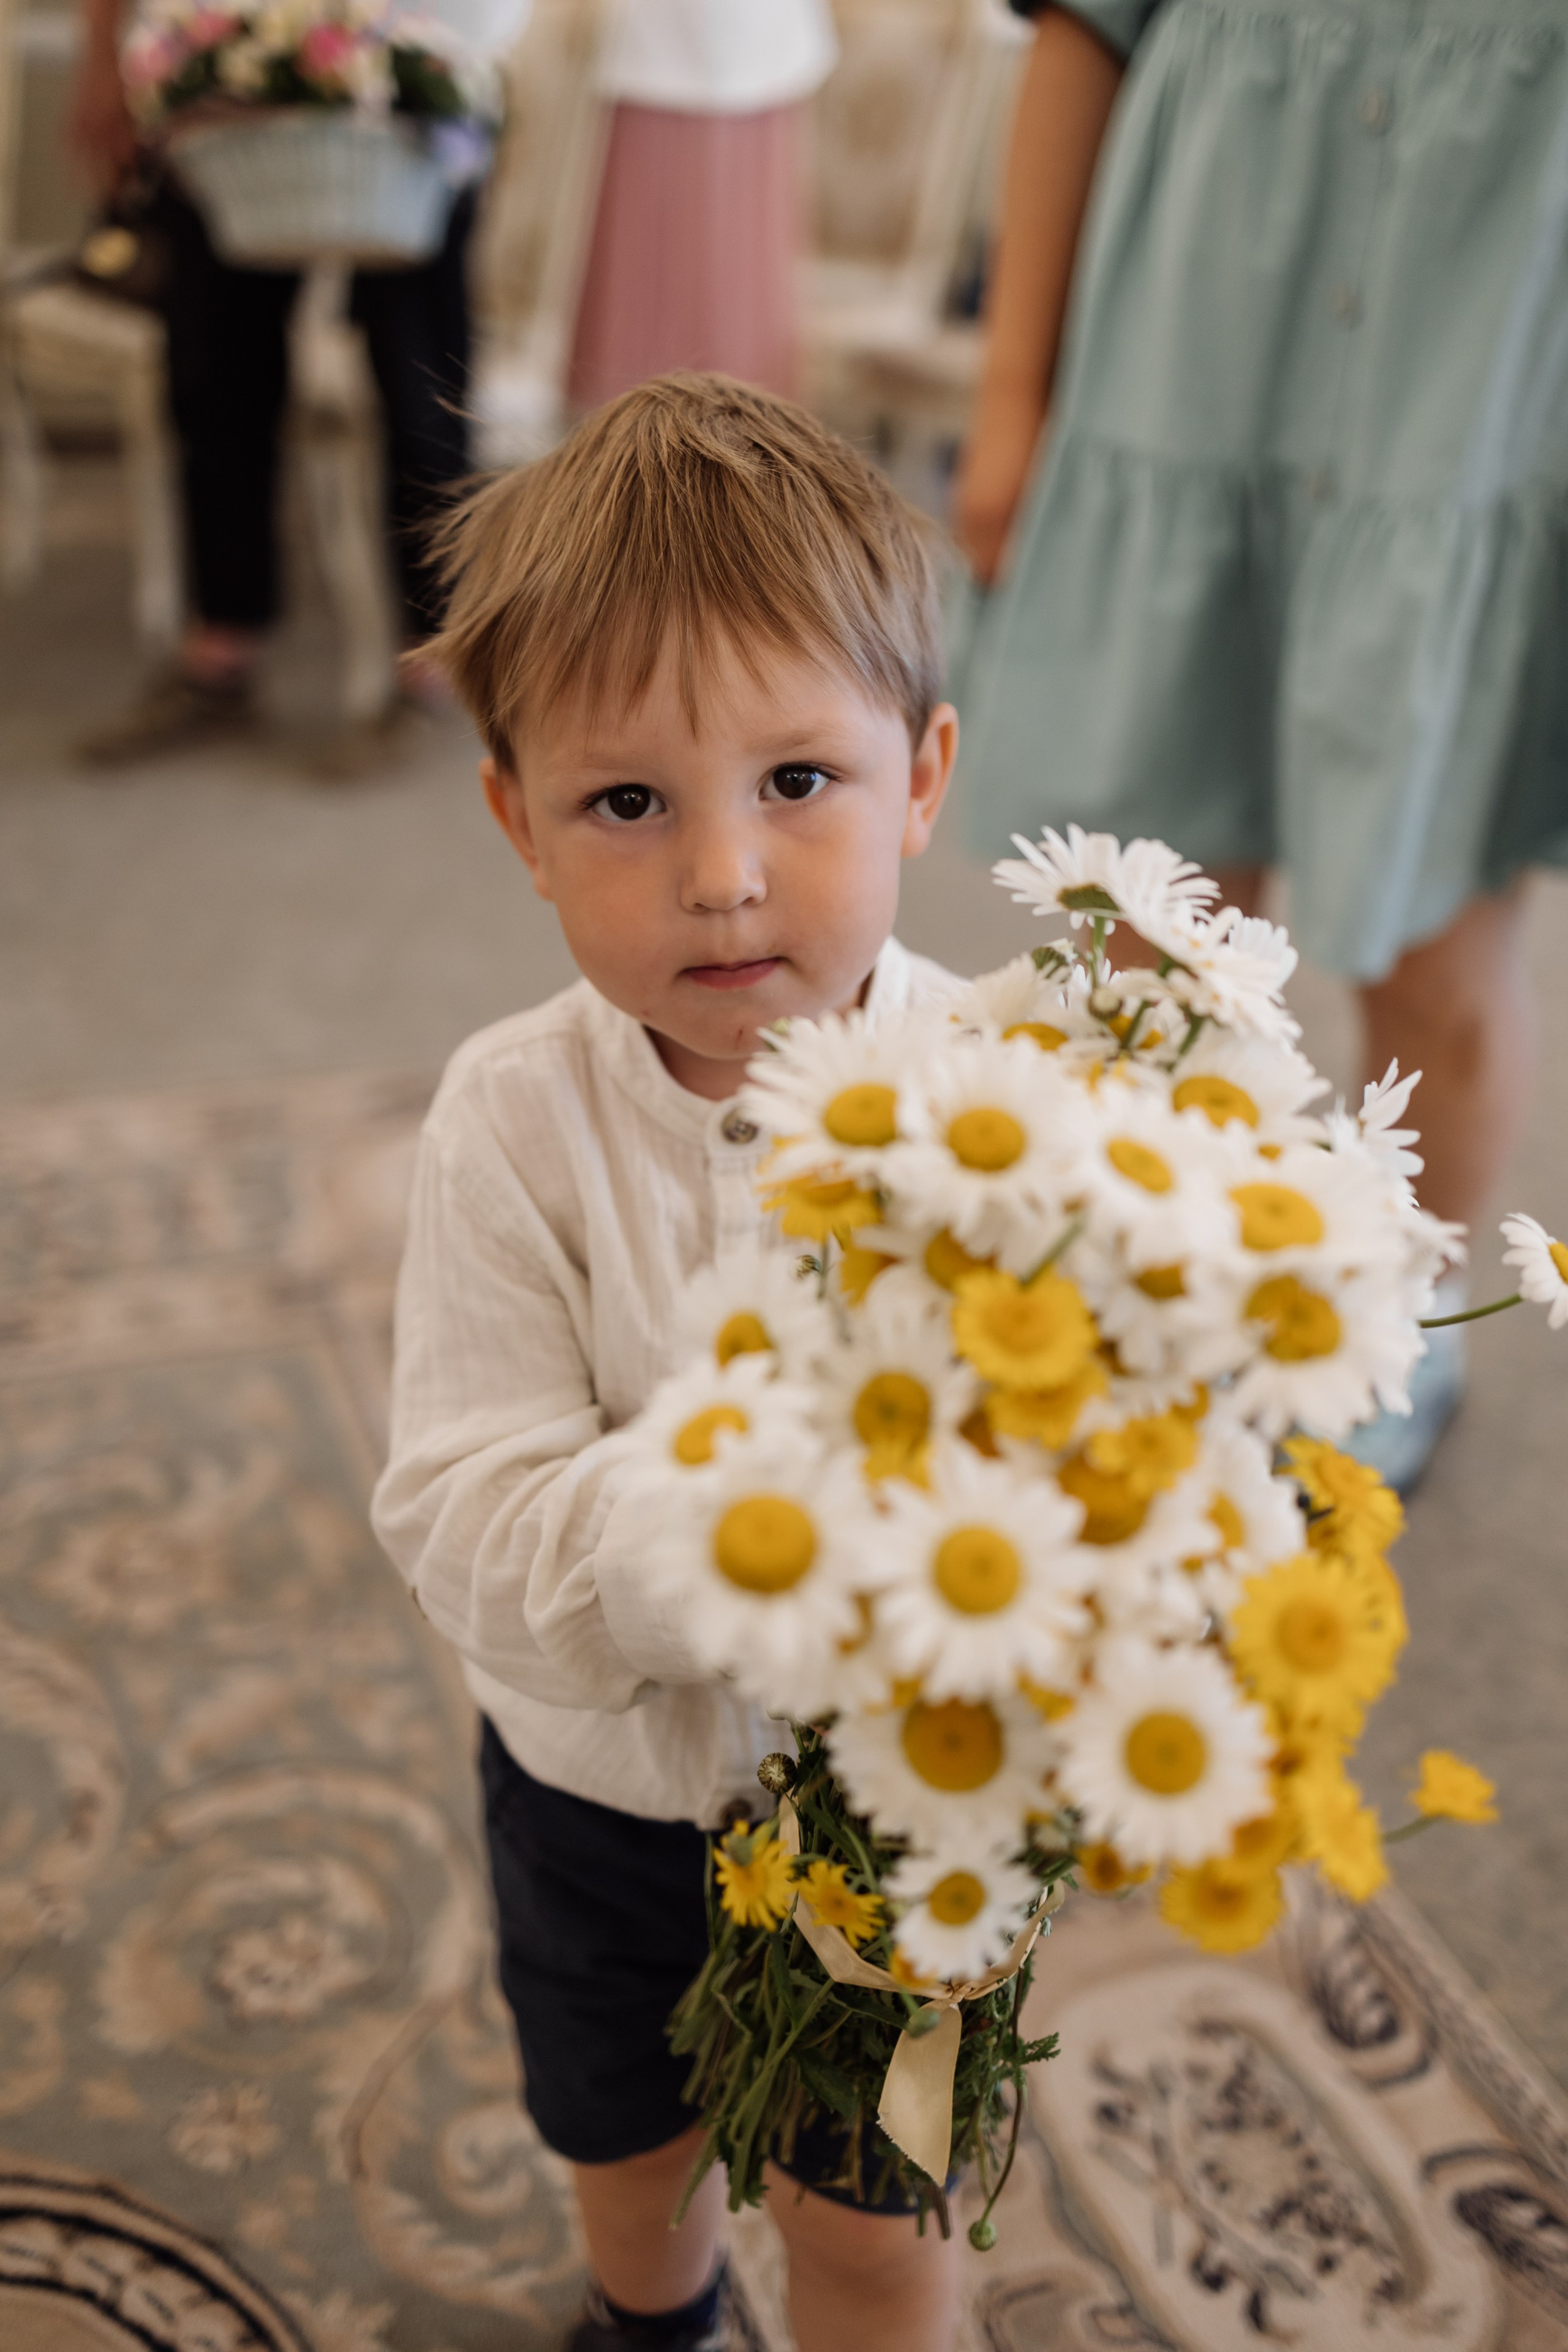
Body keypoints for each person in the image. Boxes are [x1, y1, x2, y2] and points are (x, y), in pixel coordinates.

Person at [370, 375, 963, 2352]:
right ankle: (655, 2326)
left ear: (927, 779)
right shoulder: (506, 1123)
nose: (721, 874)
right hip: (599, 1804)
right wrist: (724, 1510)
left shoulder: (1022, 1111)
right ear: (515, 822)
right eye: (630, 802)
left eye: (798, 783)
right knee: (630, 2162)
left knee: (875, 2231)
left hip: (897, 1822)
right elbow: (463, 1507)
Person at [951, 0, 1568, 1488]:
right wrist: (1009, 389)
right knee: (1148, 930)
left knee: (1430, 955)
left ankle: (1395, 1317)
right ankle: (1143, 1293)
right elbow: (1079, 37)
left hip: (1474, 430)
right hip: (1183, 383)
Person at [66, 0, 533, 767]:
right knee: (212, 374)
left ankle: (432, 660)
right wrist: (106, 60)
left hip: (413, 81)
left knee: (421, 390)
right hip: (220, 84)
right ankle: (221, 646)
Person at [567, 0, 837, 410]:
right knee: (647, 266)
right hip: (657, 51)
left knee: (732, 264)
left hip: (752, 50)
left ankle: (735, 426)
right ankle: (627, 437)